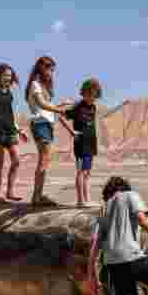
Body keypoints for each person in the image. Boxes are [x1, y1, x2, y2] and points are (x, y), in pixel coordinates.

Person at [25, 55, 73, 207]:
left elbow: (47, 107)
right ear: (41, 68)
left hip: (46, 124)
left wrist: (60, 106)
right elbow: (41, 104)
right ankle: (36, 197)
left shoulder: (43, 86)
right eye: (49, 69)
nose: (51, 73)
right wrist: (60, 110)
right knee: (44, 161)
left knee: (45, 160)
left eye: (52, 70)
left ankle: (38, 195)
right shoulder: (35, 84)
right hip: (40, 124)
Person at [0, 63, 29, 203]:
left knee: (16, 161)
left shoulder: (9, 93)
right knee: (0, 163)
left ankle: (10, 192)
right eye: (5, 75)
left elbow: (10, 114)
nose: (8, 78)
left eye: (10, 75)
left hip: (10, 130)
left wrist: (19, 130)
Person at [64, 78, 103, 207]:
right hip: (80, 143)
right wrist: (71, 131)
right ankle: (80, 200)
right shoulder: (77, 106)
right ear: (84, 92)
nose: (92, 98)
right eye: (90, 95)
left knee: (87, 172)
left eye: (95, 95)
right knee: (80, 171)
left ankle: (87, 199)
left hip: (91, 143)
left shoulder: (93, 107)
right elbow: (61, 116)